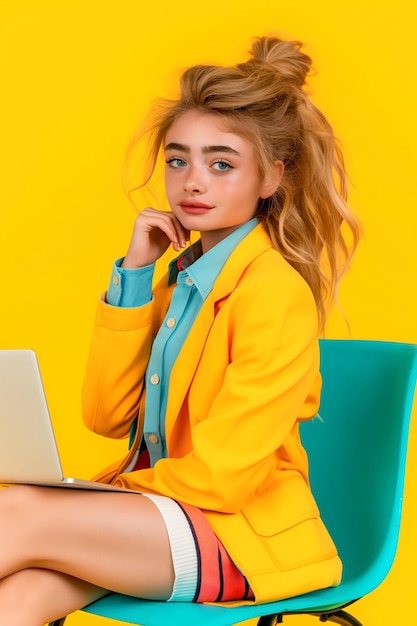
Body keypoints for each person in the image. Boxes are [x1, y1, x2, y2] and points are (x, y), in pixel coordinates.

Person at [0, 36, 360, 625]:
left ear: (270, 177)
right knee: (16, 600)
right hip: (161, 520)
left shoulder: (275, 292)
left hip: (236, 537)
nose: (193, 182)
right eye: (178, 159)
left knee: (17, 513)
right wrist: (136, 279)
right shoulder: (176, 284)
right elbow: (105, 415)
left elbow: (221, 477)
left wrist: (105, 497)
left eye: (221, 164)